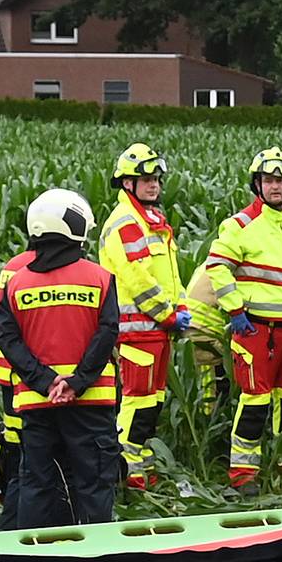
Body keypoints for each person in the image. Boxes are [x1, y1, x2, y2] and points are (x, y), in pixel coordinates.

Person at [0, 189, 123, 530]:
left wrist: (45, 382)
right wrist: (77, 382)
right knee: (93, 483)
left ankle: (31, 561)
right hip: (90, 403)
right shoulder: (99, 278)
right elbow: (107, 334)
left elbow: (8, 341)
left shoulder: (17, 284)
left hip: (37, 403)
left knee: (36, 484)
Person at [203, 146, 282, 487]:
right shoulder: (241, 225)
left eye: (281, 181)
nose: (276, 187)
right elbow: (217, 268)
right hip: (258, 329)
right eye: (269, 180)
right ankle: (244, 475)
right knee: (255, 405)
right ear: (257, 184)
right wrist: (235, 309)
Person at [99, 143, 187, 488]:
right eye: (145, 179)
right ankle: (127, 477)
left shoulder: (151, 222)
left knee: (152, 404)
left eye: (156, 179)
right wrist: (168, 314)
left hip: (156, 329)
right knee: (136, 405)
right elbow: (137, 278)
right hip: (137, 330)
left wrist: (180, 307)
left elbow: (171, 275)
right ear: (127, 184)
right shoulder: (126, 223)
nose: (154, 185)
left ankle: (142, 470)